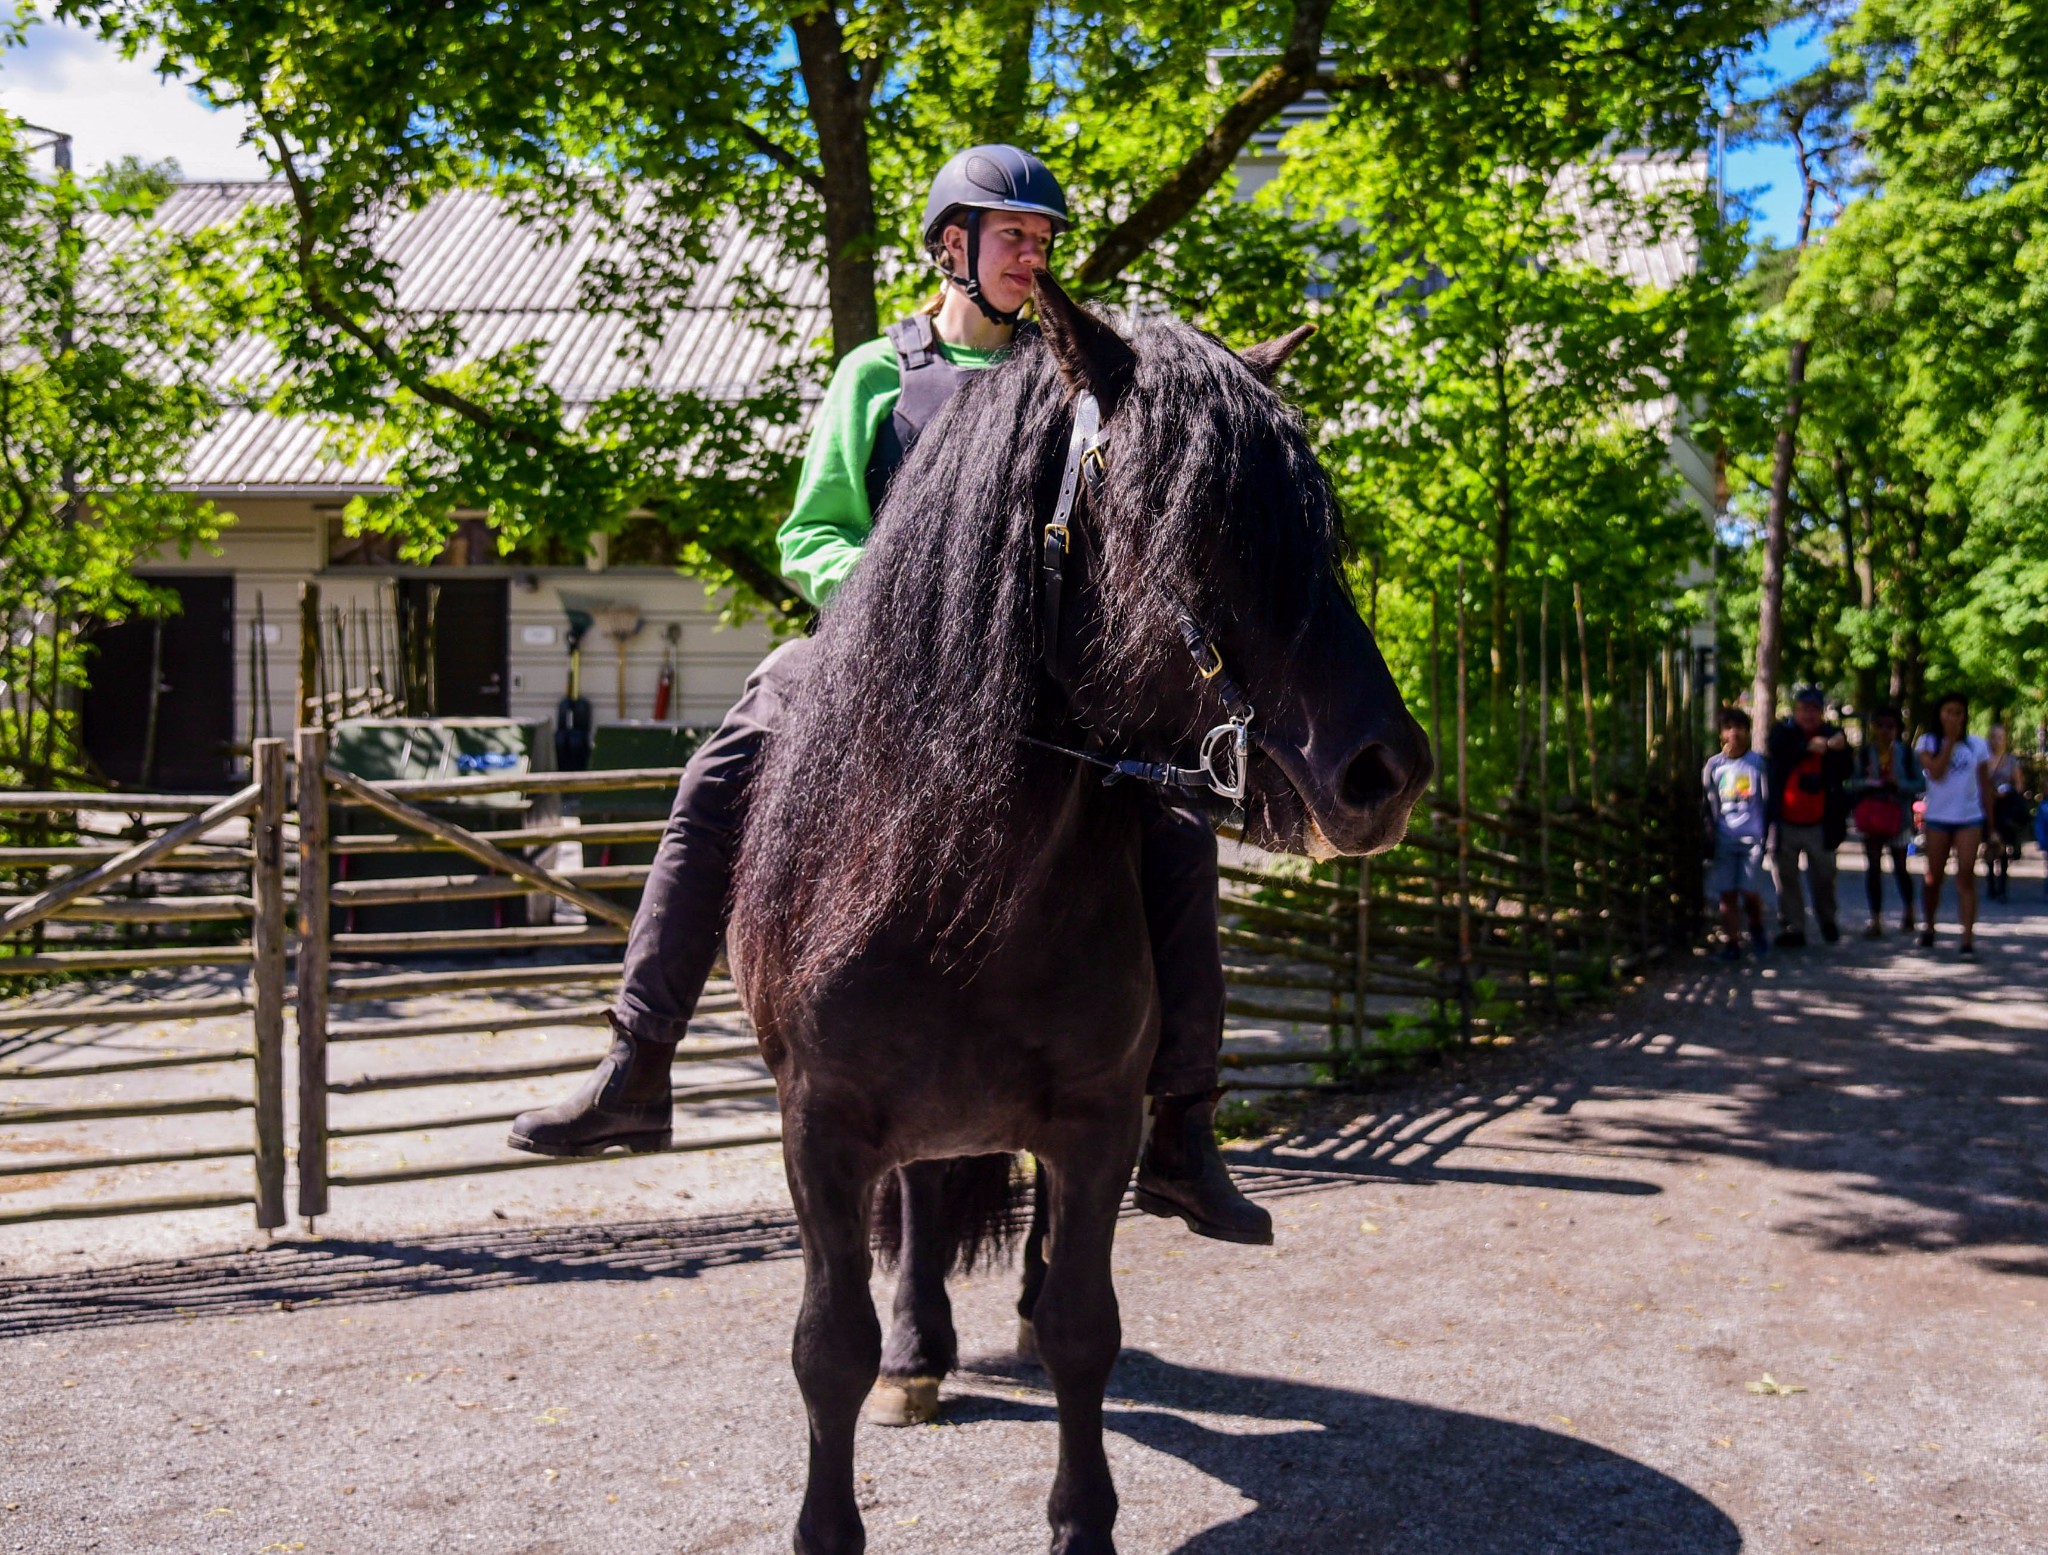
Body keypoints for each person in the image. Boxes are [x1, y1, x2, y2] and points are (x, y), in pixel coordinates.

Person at [508, 145, 1273, 1244]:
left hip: (1042, 677)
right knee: (719, 766)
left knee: (1173, 820)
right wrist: (890, 610)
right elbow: (813, 532)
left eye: (1044, 240)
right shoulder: (878, 372)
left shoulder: (1068, 381)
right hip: (880, 656)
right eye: (1012, 235)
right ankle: (637, 1060)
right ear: (951, 245)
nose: (1033, 256)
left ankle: (1186, 1127)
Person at [1764, 685, 1852, 946]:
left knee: (1824, 877)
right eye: (1804, 709)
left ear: (1822, 712)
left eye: (1814, 710)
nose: (1809, 715)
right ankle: (1794, 927)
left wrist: (1839, 749)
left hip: (1820, 822)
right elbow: (1779, 752)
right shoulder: (1782, 732)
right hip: (1785, 821)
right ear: (1796, 710)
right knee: (1786, 878)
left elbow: (1846, 770)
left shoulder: (1833, 735)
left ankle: (1827, 920)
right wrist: (1808, 747)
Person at [1916, 691, 1996, 957]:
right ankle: (1928, 926)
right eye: (1948, 711)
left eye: (1958, 712)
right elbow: (1936, 773)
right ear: (1939, 714)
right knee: (1933, 877)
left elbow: (1986, 786)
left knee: (1965, 876)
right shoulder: (1927, 742)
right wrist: (1948, 742)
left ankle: (1967, 939)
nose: (1953, 717)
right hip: (1938, 818)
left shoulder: (1977, 746)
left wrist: (1991, 827)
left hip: (1969, 818)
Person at [1845, 704, 1923, 938]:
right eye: (1880, 726)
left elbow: (1921, 785)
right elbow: (1851, 783)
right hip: (1871, 816)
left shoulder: (1907, 755)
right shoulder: (1864, 754)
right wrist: (1867, 783)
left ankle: (1909, 911)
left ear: (1897, 729)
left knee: (1900, 867)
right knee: (1873, 869)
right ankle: (1876, 919)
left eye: (1890, 726)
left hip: (1898, 817)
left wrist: (1899, 785)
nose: (1884, 731)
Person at [1704, 707, 1770, 961]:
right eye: (1729, 728)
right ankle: (1733, 942)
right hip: (1724, 838)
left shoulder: (1757, 764)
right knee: (1727, 892)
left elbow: (1766, 800)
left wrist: (1766, 836)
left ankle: (1756, 927)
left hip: (1752, 839)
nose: (1735, 733)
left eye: (1740, 727)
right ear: (1721, 733)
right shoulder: (1714, 766)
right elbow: (1709, 803)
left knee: (1750, 890)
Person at [1983, 723, 2028, 901]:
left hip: (2004, 810)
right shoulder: (1983, 761)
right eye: (1994, 737)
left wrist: (2007, 790)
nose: (1997, 741)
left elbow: (2019, 785)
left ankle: (2002, 886)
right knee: (1989, 844)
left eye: (2001, 737)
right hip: (1988, 808)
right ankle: (1990, 884)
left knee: (2001, 848)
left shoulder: (2011, 761)